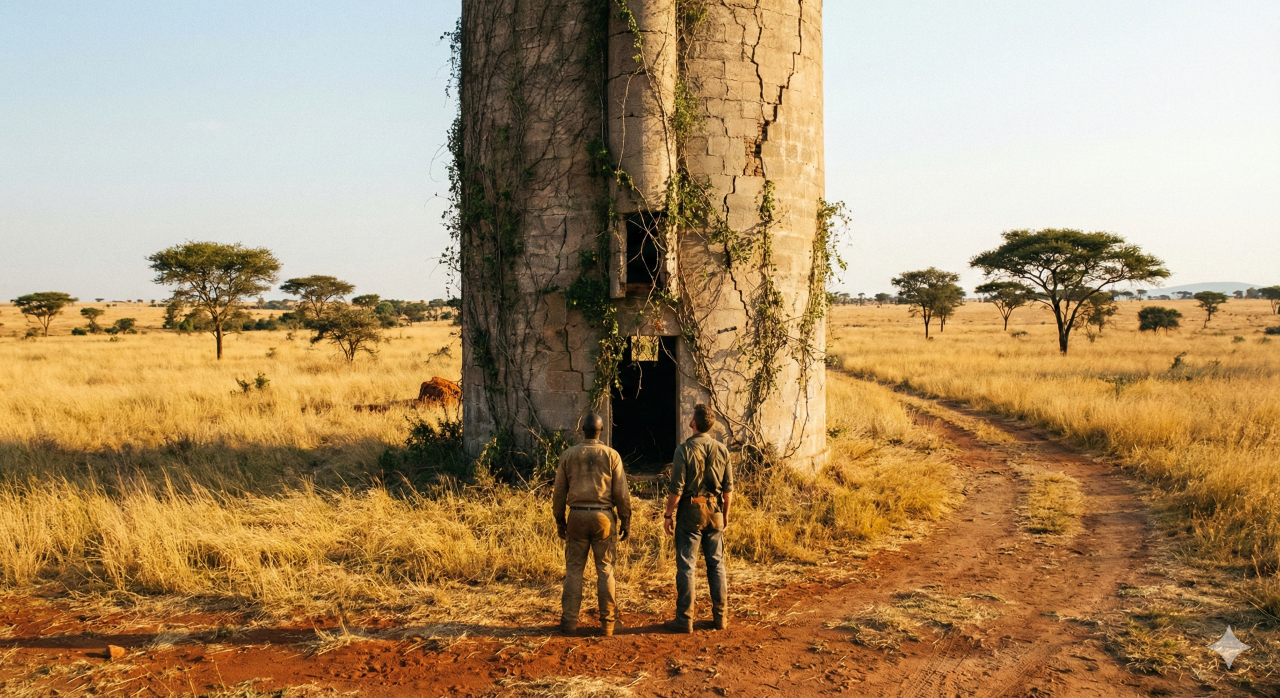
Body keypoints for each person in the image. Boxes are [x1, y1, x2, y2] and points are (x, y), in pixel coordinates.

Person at [552, 412, 631, 636]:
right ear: (601, 430)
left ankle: (568, 622)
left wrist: (560, 519)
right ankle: (608, 623)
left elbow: (559, 492)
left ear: (582, 430)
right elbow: (621, 493)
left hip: (576, 516)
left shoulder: (568, 455)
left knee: (574, 570)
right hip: (603, 518)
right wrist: (626, 519)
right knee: (605, 570)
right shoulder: (611, 455)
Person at [663, 403, 733, 633]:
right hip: (715, 512)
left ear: (694, 422)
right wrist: (725, 516)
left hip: (691, 512)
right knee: (716, 565)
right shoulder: (722, 450)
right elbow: (728, 491)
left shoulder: (683, 450)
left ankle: (685, 619)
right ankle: (720, 618)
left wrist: (668, 514)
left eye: (691, 416)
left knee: (687, 566)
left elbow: (677, 490)